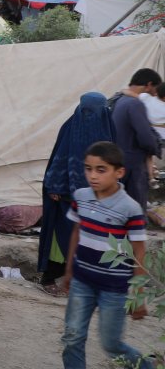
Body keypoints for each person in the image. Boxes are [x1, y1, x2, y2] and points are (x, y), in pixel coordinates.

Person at [58, 141, 151, 369]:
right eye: (88, 169)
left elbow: (139, 251)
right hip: (82, 281)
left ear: (119, 172)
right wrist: (69, 269)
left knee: (111, 344)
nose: (93, 176)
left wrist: (138, 295)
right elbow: (77, 231)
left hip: (114, 288)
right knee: (72, 336)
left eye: (101, 170)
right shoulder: (81, 196)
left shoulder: (130, 208)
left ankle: (147, 366)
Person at [39, 93, 113, 293]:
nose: (89, 115)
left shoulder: (108, 127)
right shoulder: (70, 127)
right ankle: (49, 278)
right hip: (66, 195)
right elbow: (59, 157)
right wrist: (55, 187)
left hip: (98, 196)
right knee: (63, 236)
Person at [108, 68, 162, 214]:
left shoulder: (119, 99)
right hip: (134, 165)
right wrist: (156, 148)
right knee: (135, 210)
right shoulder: (134, 104)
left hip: (118, 161)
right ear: (149, 85)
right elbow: (145, 138)